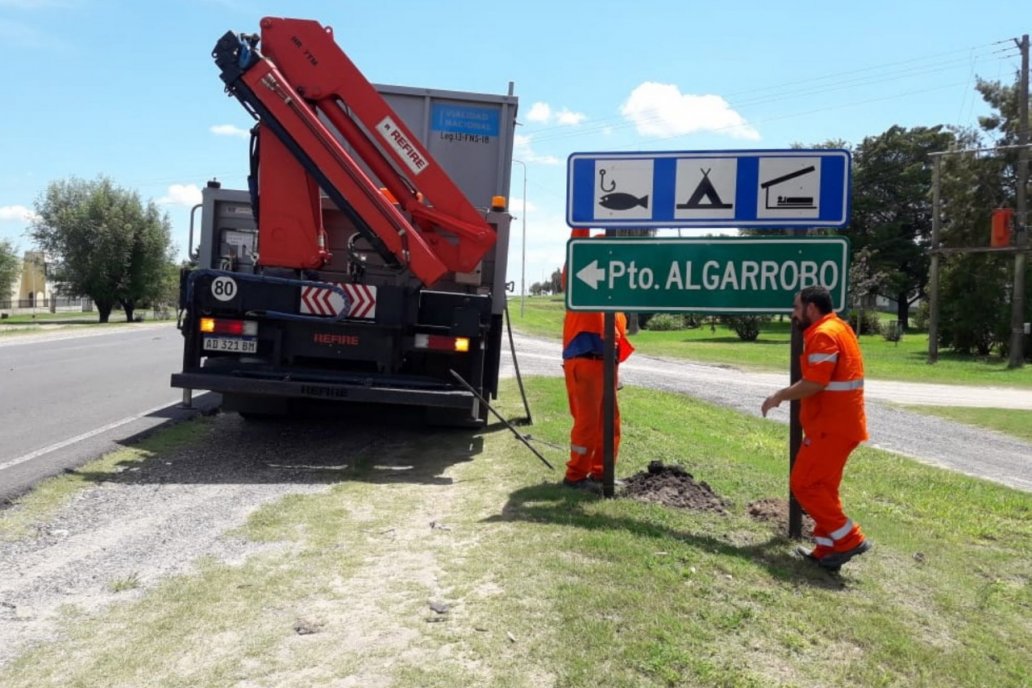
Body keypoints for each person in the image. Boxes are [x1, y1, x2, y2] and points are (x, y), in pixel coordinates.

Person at [761, 285, 872, 570]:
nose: (793, 314)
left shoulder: (823, 334)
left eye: (796, 308)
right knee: (823, 489)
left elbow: (815, 382)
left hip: (830, 428)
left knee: (804, 484)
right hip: (842, 426)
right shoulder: (840, 328)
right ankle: (827, 549)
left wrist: (779, 396)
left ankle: (850, 539)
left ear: (811, 308)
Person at [561, 228, 635, 491]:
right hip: (584, 361)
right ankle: (575, 476)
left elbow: (615, 337)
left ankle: (602, 473)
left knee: (610, 423)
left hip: (606, 366)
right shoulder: (579, 280)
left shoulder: (613, 297)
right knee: (588, 423)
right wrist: (586, 217)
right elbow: (578, 240)